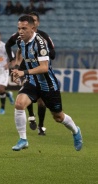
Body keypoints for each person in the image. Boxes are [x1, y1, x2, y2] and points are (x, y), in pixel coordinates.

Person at [11, 15, 82, 151]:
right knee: (19, 104)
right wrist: (17, 67)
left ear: (33, 28)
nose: (20, 31)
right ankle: (23, 139)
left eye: (24, 28)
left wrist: (23, 73)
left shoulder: (40, 43)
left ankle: (75, 131)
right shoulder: (20, 41)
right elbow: (19, 52)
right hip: (32, 82)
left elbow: (44, 67)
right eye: (19, 28)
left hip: (47, 84)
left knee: (58, 117)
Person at [5, 11, 55, 135]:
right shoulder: (20, 36)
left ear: (36, 23)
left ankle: (41, 126)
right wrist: (15, 64)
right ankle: (31, 116)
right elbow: (9, 45)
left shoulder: (43, 37)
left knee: (41, 102)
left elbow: (53, 53)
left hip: (40, 69)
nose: (22, 29)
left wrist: (44, 55)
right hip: (26, 68)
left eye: (34, 20)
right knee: (24, 93)